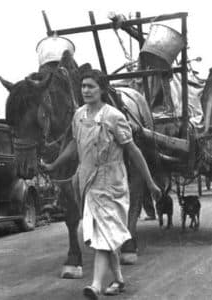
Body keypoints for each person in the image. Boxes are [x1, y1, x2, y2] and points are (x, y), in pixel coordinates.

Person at [42, 69, 161, 299]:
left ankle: (95, 285)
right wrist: (53, 164)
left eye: (91, 86)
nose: (85, 90)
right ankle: (118, 279)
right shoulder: (78, 116)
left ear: (102, 90)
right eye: (83, 86)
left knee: (103, 236)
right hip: (87, 183)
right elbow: (75, 145)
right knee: (103, 234)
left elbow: (133, 151)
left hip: (111, 184)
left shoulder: (114, 117)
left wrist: (150, 183)